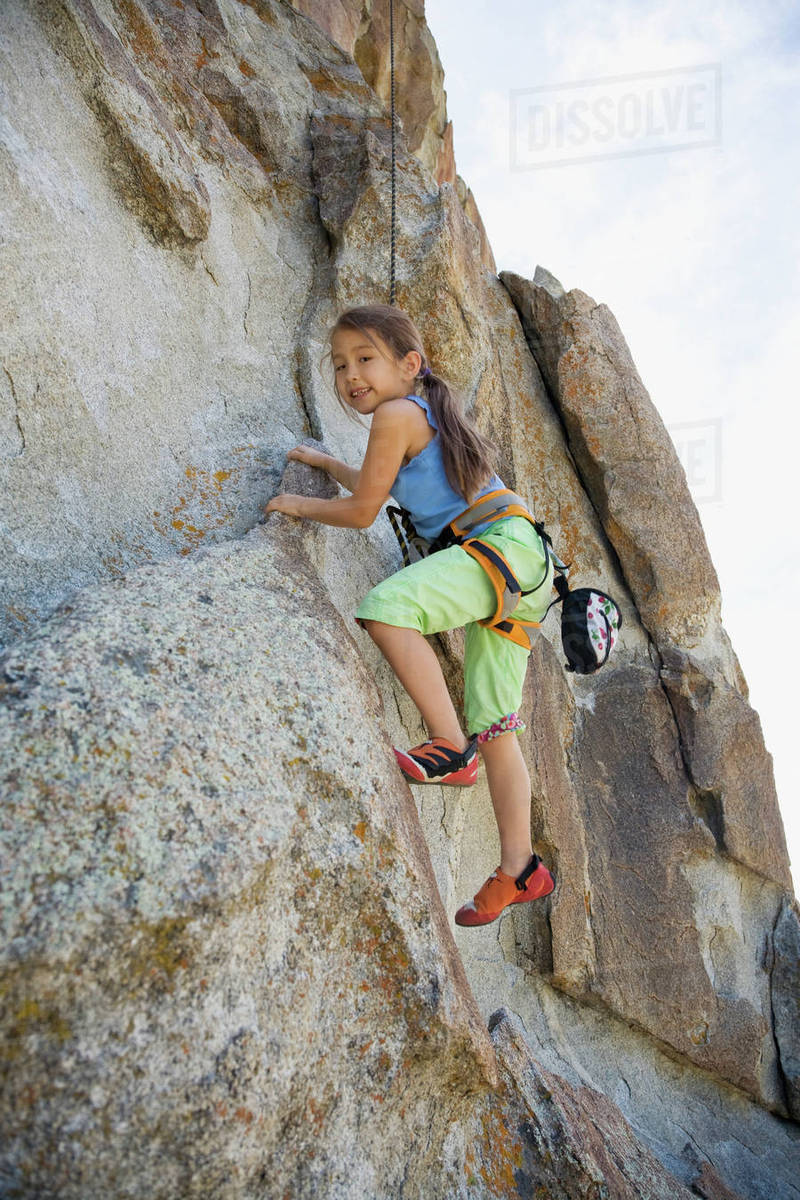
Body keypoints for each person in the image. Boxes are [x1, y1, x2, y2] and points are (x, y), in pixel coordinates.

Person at [266, 304, 555, 926]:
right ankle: (519, 868)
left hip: (496, 550)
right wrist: (324, 466)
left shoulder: (397, 413)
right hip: (523, 565)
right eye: (340, 365)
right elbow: (378, 483)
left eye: (365, 358)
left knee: (388, 608)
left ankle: (451, 748)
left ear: (409, 365)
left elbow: (363, 510)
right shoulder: (415, 418)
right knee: (499, 726)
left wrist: (294, 502)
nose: (350, 375)